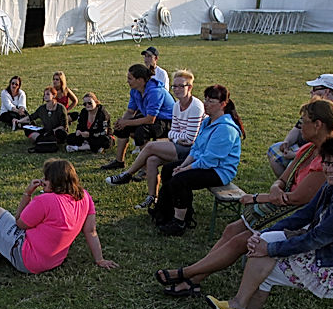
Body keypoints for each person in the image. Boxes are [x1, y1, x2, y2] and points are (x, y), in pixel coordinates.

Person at [156, 98, 333, 296]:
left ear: (317, 125)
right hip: (281, 204)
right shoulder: (308, 149)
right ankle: (194, 278)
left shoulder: (327, 160)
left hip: (304, 218)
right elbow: (282, 181)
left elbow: (299, 199)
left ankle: (188, 275)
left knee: (241, 240)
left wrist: (257, 197)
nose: (299, 127)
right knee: (232, 229)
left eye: (303, 121)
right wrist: (275, 188)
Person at [209, 133, 333, 309]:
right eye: (326, 162)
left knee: (264, 267)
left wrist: (270, 248)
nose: (329, 168)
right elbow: (305, 214)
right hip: (326, 248)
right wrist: (264, 235)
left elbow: (316, 239)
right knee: (263, 249)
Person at [0, 158, 117, 273]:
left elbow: (19, 223)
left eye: (45, 178)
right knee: (6, 225)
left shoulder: (45, 200)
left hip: (27, 261)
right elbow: (91, 231)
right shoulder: (85, 196)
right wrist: (99, 259)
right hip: (53, 261)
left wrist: (27, 194)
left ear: (54, 181)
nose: (43, 181)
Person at [106, 69, 204, 210]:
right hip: (179, 145)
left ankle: (127, 174)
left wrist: (175, 137)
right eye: (174, 86)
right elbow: (173, 133)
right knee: (151, 160)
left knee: (151, 146)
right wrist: (176, 138)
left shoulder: (195, 106)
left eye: (181, 86)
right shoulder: (177, 105)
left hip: (194, 151)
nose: (176, 89)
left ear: (190, 87)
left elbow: (190, 139)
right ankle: (152, 198)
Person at [156, 84, 244, 237]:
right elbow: (196, 149)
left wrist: (184, 170)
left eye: (211, 101)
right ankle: (169, 210)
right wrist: (182, 165)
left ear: (223, 104)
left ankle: (180, 221)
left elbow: (210, 160)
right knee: (169, 169)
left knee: (180, 179)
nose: (206, 104)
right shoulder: (207, 122)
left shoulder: (225, 128)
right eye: (205, 99)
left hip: (219, 171)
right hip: (206, 164)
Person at [267, 73, 333, 177]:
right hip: (307, 148)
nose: (311, 91)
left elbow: (328, 148)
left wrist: (297, 155)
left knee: (294, 166)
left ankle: (293, 184)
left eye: (315, 88)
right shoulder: (317, 106)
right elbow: (297, 128)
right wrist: (287, 142)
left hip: (316, 152)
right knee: (273, 150)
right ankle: (287, 183)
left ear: (327, 91)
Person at [102, 64, 174, 172]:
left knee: (142, 132)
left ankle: (146, 170)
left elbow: (151, 119)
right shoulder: (135, 91)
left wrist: (126, 123)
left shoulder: (155, 92)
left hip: (167, 121)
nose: (128, 81)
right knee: (122, 128)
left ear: (140, 80)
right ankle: (119, 161)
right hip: (151, 118)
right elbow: (131, 111)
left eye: (130, 78)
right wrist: (122, 122)